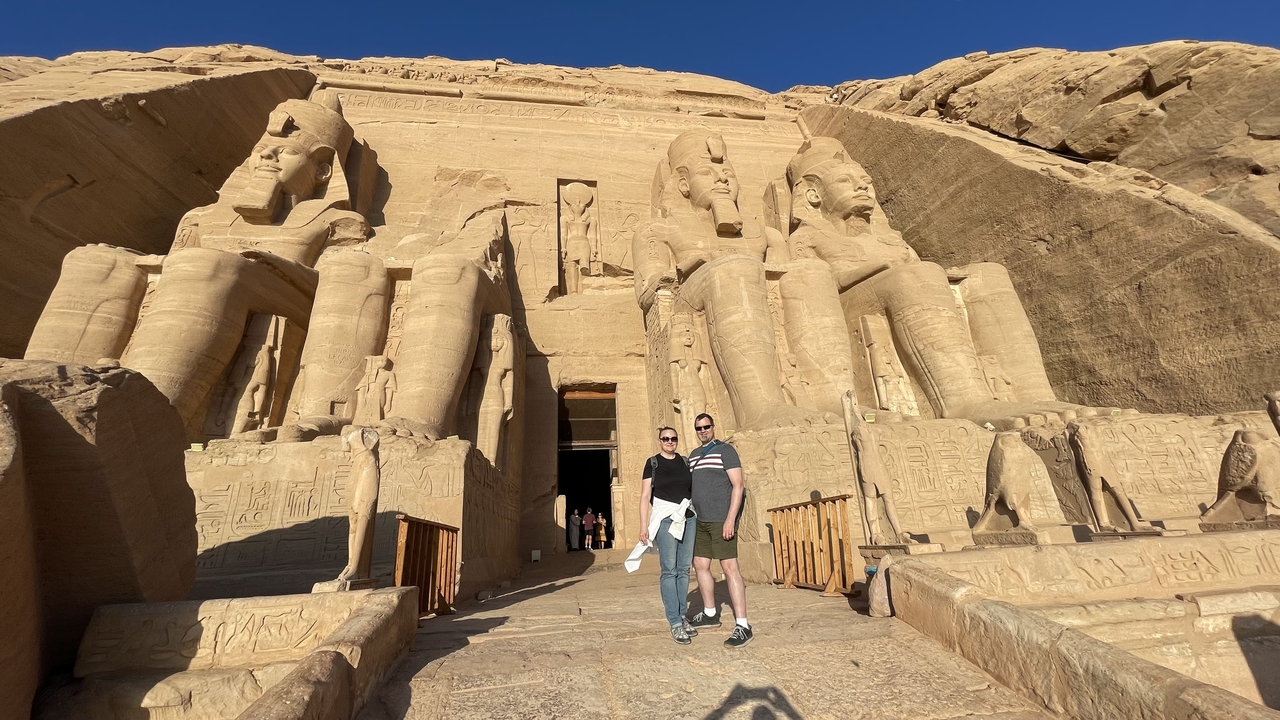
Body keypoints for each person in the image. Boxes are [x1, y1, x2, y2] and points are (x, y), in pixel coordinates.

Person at [686, 413, 752, 648]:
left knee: (729, 567)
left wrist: (730, 519)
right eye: (699, 428)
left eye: (706, 426)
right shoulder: (694, 456)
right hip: (700, 520)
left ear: (713, 427)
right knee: (700, 564)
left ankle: (743, 625)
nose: (703, 430)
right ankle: (710, 612)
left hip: (721, 519)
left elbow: (738, 485)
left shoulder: (726, 450)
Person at [639, 427, 699, 644]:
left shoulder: (685, 461)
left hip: (688, 518)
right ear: (660, 440)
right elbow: (645, 495)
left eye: (673, 438)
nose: (670, 441)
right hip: (666, 519)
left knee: (684, 570)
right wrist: (643, 526)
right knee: (669, 570)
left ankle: (682, 616)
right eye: (666, 438)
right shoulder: (653, 463)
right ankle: (674, 621)